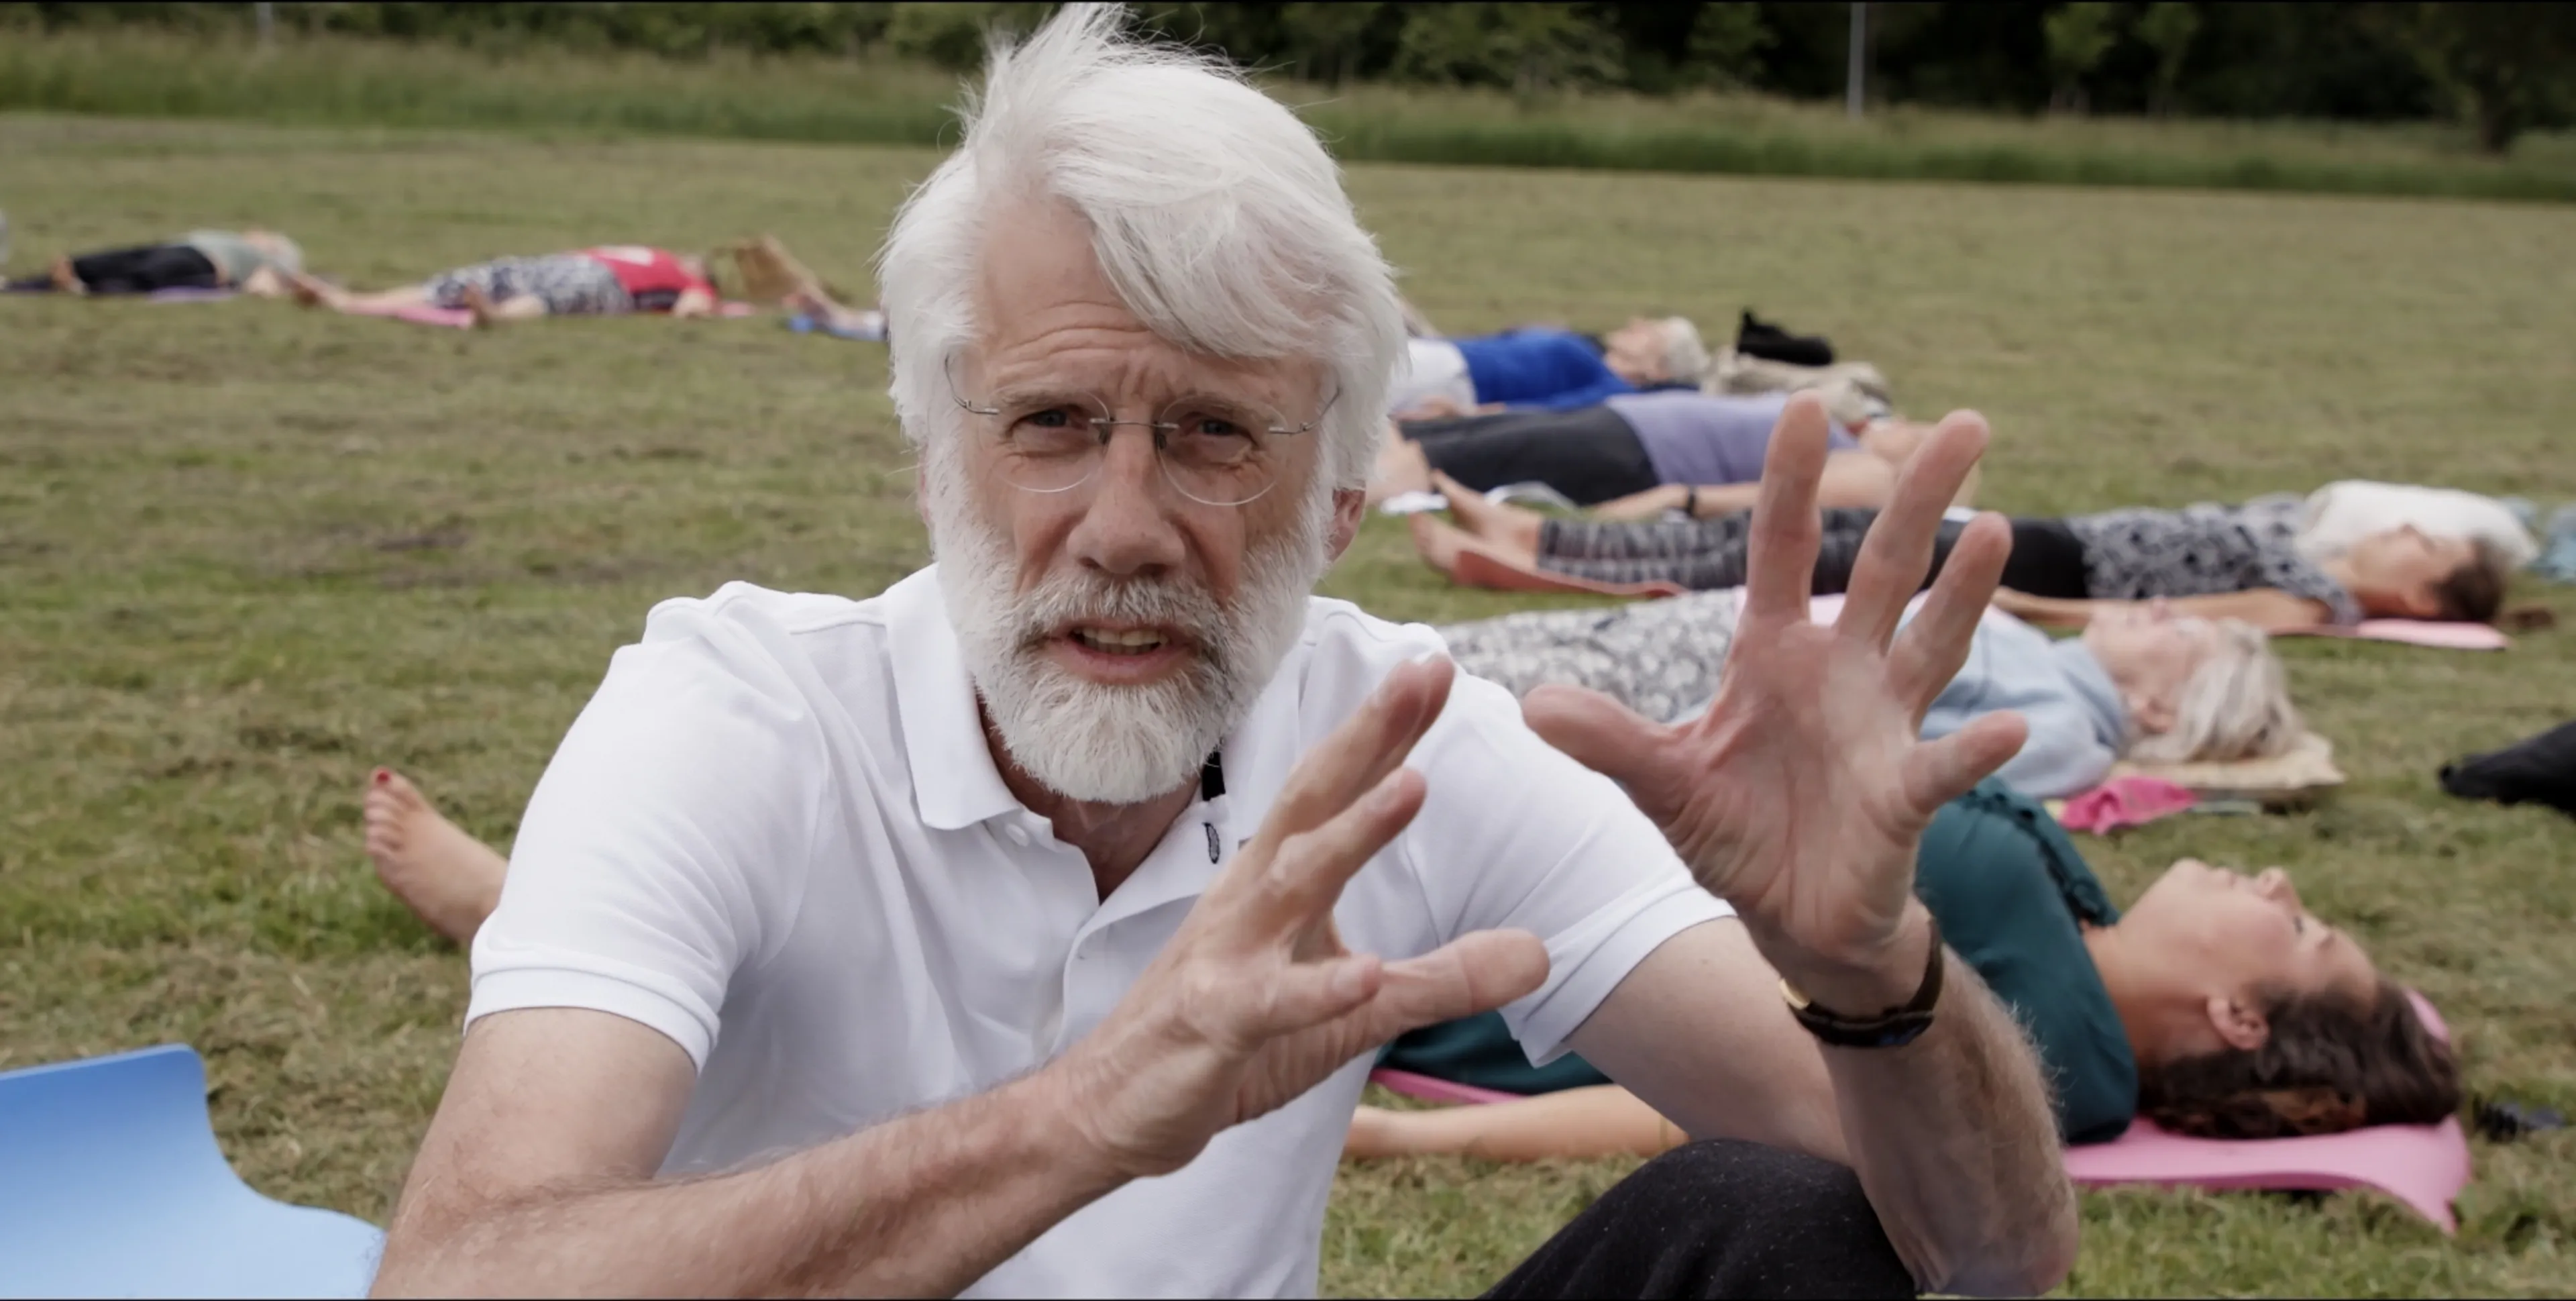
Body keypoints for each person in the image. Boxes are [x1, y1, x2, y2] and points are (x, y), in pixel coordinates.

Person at [364, 9, 2078, 1298]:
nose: (1120, 523)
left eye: (1207, 435)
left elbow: (1985, 1259)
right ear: (933, 462)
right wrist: (1096, 1108)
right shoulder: (727, 719)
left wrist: (1873, 977)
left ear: (1339, 503)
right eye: (1049, 423)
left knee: (1781, 1228)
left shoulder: (1405, 743)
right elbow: (458, 1277)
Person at [1355, 784, 2462, 1161]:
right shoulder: (2085, 923)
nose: (2276, 877)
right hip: (1524, 800)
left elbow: (1744, 1105)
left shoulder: (2057, 1061)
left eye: (2302, 924)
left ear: (2237, 1017)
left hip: (1463, 913)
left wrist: (1410, 1135)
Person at [1436, 587, 2302, 800]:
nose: (2157, 607)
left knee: (1427, 693)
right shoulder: (2039, 650)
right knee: (1428, 655)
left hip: (1694, 684)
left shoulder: (2070, 732)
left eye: (2178, 632)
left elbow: (1895, 777)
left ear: (2159, 709)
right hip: (1694, 637)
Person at [1415, 480, 2514, 631]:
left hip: (2038, 566)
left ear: (2422, 588)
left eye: (2424, 541)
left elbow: (2202, 616)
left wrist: (2021, 602)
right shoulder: (2309, 534)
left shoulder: (2320, 595)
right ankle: (1537, 534)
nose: (2398, 522)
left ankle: (1553, 561)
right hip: (2034, 537)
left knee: (1784, 555)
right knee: (1776, 531)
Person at [1366, 389, 1921, 513]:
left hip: (1635, 455)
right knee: (1422, 437)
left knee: (1428, 464)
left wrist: (1677, 498)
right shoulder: (1848, 435)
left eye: (1912, 433)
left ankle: (1328, 496)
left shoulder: (1872, 473)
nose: (1895, 425)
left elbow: (1774, 500)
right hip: (1620, 423)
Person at [286, 244, 719, 326]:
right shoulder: (675, 268)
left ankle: (350, 301)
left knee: (448, 286)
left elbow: (691, 307)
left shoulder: (672, 267)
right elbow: (691, 308)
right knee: (545, 300)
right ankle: (348, 301)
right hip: (584, 271)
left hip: (585, 271)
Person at [1385, 317, 1706, 417]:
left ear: (1658, 369)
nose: (1638, 323)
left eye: (1652, 332)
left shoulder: (1616, 389)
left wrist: (1466, 417)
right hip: (1445, 358)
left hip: (1455, 379)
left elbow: (1553, 412)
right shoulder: (1595, 357)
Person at [5, 227, 303, 297]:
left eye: (266, 235)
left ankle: (84, 289)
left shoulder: (267, 259)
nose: (257, 232)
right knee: (89, 263)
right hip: (175, 248)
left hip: (201, 262)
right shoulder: (229, 238)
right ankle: (15, 286)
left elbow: (266, 287)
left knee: (144, 276)